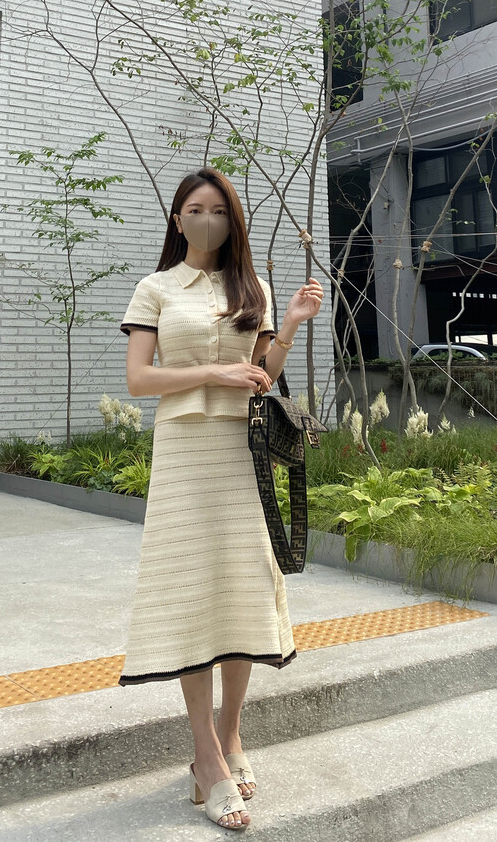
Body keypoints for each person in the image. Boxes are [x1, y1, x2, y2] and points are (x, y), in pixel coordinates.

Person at [118, 167, 324, 832]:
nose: (206, 219)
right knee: (192, 590)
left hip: (242, 451)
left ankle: (231, 733)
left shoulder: (252, 287)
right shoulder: (155, 287)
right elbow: (139, 379)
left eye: (218, 210)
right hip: (185, 451)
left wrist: (287, 325)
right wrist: (212, 371)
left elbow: (262, 375)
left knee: (240, 586)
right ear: (177, 218)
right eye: (195, 208)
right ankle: (205, 758)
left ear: (233, 220)